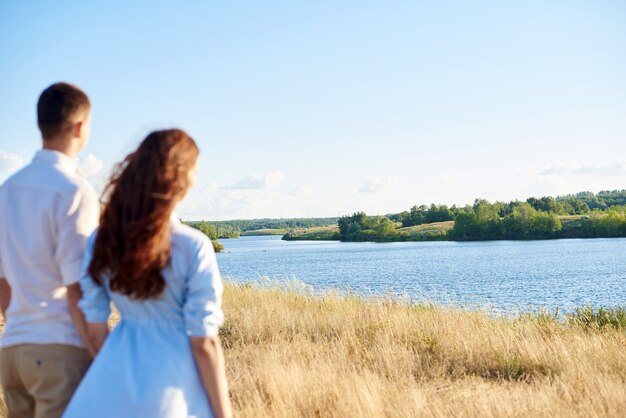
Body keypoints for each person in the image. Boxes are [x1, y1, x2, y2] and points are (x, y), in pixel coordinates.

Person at [63, 129, 232, 418]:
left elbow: (94, 326)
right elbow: (203, 342)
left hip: (109, 383)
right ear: (179, 177)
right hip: (172, 388)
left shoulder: (102, 240)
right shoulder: (193, 246)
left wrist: (111, 373)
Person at [0, 82, 99, 418]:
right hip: (58, 349)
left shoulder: (7, 190)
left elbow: (2, 281)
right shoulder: (75, 191)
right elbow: (77, 287)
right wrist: (101, 354)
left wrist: (17, 324)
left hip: (13, 351)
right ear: (80, 126)